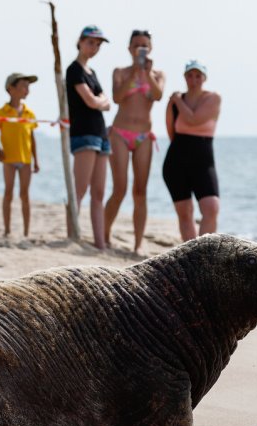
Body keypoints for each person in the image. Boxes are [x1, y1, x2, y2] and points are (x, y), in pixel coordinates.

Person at [103, 29, 165, 255]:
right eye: (137, 45)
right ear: (129, 49)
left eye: (145, 45)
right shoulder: (120, 72)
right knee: (119, 188)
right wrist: (135, 73)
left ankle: (138, 243)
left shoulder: (157, 74)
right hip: (120, 132)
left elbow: (157, 96)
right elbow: (118, 97)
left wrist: (146, 73)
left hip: (144, 136)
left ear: (151, 48)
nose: (141, 49)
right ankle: (104, 234)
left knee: (140, 191)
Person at [163, 60, 222, 241]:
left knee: (211, 207)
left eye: (198, 75)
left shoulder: (212, 98)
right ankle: (191, 259)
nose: (194, 79)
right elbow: (171, 130)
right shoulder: (174, 103)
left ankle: (205, 253)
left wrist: (178, 100)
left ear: (204, 78)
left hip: (203, 160)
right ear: (184, 77)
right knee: (185, 212)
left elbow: (194, 120)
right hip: (177, 159)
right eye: (190, 75)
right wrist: (176, 101)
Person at [66, 25, 112, 249]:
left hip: (100, 133)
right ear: (81, 41)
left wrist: (100, 101)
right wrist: (100, 101)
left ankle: (100, 242)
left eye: (98, 44)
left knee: (99, 191)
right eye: (91, 42)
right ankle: (72, 235)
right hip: (84, 132)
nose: (94, 47)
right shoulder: (74, 70)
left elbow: (106, 101)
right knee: (80, 188)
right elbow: (93, 101)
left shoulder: (91, 72)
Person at [0, 72, 40, 238]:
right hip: (9, 159)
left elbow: (32, 138)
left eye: (28, 87)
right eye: (23, 86)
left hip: (26, 160)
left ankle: (26, 232)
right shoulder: (1, 112)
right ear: (11, 89)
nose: (27, 90)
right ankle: (7, 230)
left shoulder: (29, 114)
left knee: (25, 195)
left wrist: (36, 161)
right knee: (8, 193)